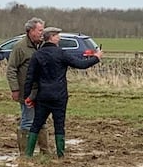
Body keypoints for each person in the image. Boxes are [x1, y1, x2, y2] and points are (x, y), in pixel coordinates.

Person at [23, 27, 103, 157]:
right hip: (59, 95)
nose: (59, 38)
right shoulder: (61, 54)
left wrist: (27, 96)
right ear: (52, 37)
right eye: (57, 35)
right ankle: (61, 155)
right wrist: (96, 58)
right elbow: (81, 64)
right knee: (59, 124)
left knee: (36, 123)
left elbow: (30, 77)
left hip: (43, 95)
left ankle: (28, 154)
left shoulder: (37, 55)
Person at [6, 17, 52, 156]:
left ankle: (45, 151)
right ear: (31, 31)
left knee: (42, 120)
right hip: (27, 92)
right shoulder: (20, 47)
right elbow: (11, 69)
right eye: (40, 30)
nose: (42, 33)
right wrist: (15, 89)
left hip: (42, 91)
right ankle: (25, 153)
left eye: (43, 30)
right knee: (27, 121)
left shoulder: (43, 46)